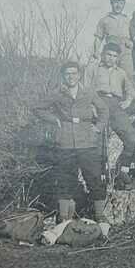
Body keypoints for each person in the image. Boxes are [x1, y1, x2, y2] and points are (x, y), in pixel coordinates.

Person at [33, 61, 110, 223]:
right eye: (67, 74)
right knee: (65, 180)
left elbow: (103, 109)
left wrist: (98, 128)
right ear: (63, 76)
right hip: (66, 141)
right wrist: (54, 120)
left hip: (87, 141)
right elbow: (38, 108)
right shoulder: (57, 93)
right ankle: (64, 217)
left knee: (94, 178)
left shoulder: (88, 92)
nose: (71, 77)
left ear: (79, 75)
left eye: (74, 73)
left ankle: (99, 215)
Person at [84, 42, 135, 189]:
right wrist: (91, 106)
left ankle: (123, 170)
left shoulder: (121, 72)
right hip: (99, 103)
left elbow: (130, 90)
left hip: (116, 105)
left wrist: (127, 101)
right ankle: (101, 177)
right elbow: (85, 89)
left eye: (115, 56)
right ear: (103, 54)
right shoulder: (94, 69)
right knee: (100, 141)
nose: (111, 58)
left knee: (131, 137)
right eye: (109, 54)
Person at [93, 0, 135, 81]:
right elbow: (98, 37)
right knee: (109, 76)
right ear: (111, 3)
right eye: (115, 2)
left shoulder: (128, 20)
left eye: (121, 3)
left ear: (123, 4)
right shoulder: (104, 20)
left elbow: (134, 36)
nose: (118, 5)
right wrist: (96, 51)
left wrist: (131, 43)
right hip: (110, 51)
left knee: (128, 77)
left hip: (125, 52)